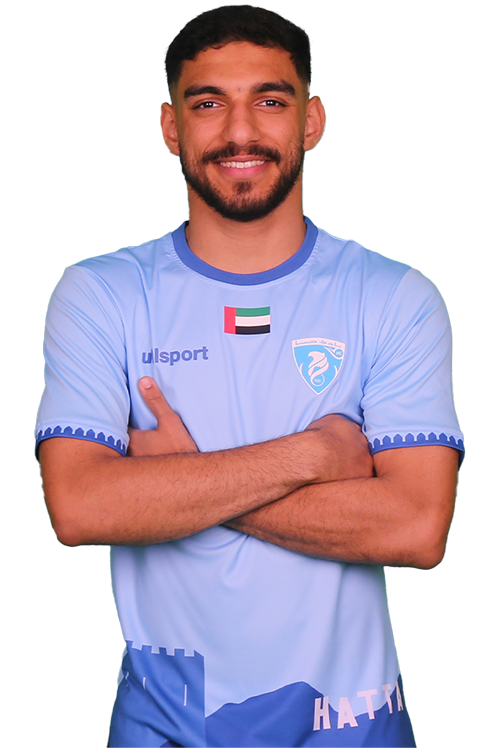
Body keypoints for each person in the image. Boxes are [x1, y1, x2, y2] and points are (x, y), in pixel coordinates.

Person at [35, 4, 464, 748]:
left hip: (352, 727)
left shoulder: (393, 295)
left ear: (312, 121)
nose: (240, 132)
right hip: (168, 727)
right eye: (208, 104)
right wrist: (312, 456)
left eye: (270, 101)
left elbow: (418, 528)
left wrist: (176, 481)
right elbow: (79, 508)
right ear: (171, 127)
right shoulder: (102, 293)